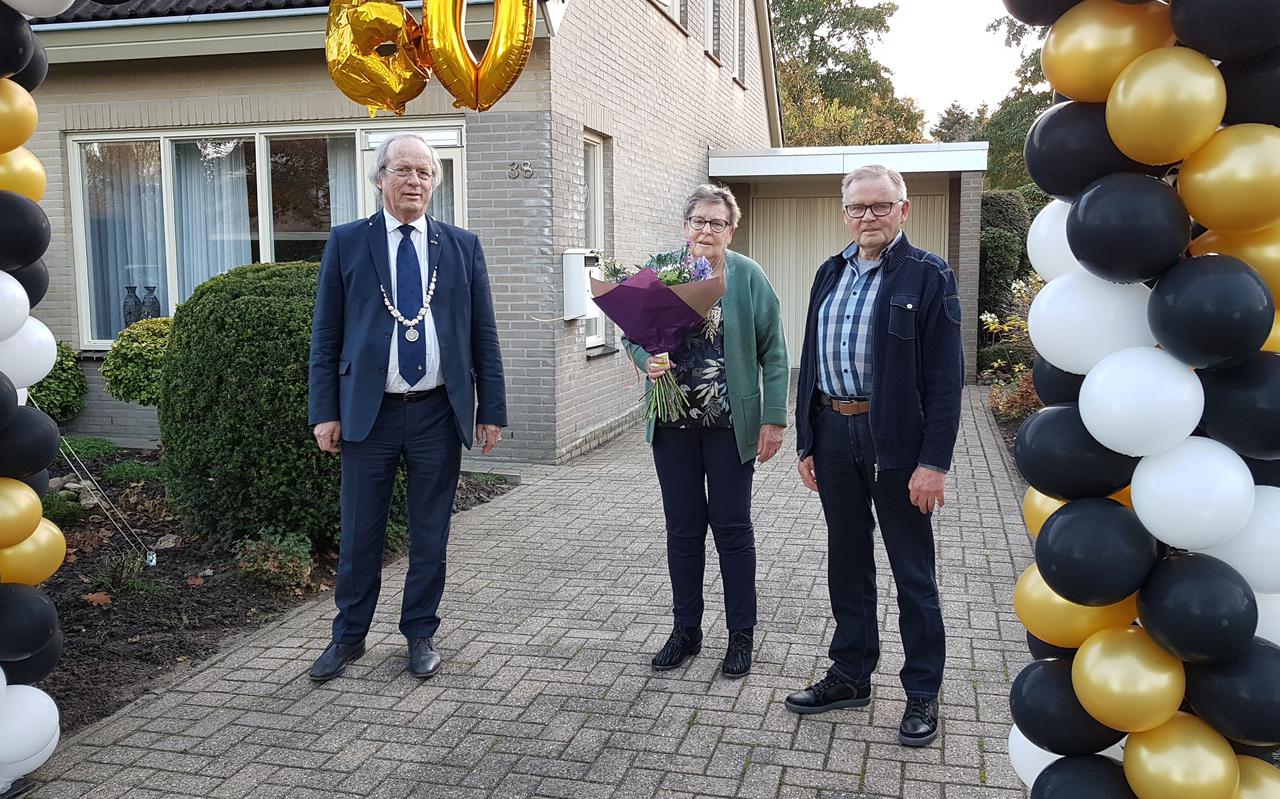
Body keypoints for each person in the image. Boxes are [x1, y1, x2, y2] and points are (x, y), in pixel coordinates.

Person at [307, 133, 506, 682]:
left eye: (424, 172)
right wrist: (325, 411)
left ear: (436, 183)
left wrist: (492, 407)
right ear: (380, 179)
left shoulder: (460, 246)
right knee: (359, 534)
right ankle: (348, 638)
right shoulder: (348, 242)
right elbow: (325, 334)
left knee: (430, 534)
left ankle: (420, 634)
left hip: (438, 414)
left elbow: (482, 334)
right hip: (368, 415)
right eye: (403, 171)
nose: (414, 181)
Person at [787, 165, 962, 747]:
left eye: (880, 206)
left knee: (913, 571)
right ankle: (851, 675)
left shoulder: (928, 275)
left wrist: (933, 462)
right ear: (845, 213)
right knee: (847, 560)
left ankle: (921, 693)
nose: (868, 217)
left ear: (903, 210)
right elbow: (810, 359)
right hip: (834, 433)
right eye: (859, 207)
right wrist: (807, 438)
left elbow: (945, 378)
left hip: (898, 447)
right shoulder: (828, 273)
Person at [625, 184, 789, 679]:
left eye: (717, 223)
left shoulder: (746, 275)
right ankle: (686, 630)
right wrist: (644, 360)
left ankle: (741, 636)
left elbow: (774, 353)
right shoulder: (663, 270)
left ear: (731, 229)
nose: (706, 230)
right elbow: (632, 331)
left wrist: (774, 419)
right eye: (699, 220)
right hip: (672, 424)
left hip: (727, 426)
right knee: (683, 530)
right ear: (685, 225)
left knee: (733, 530)